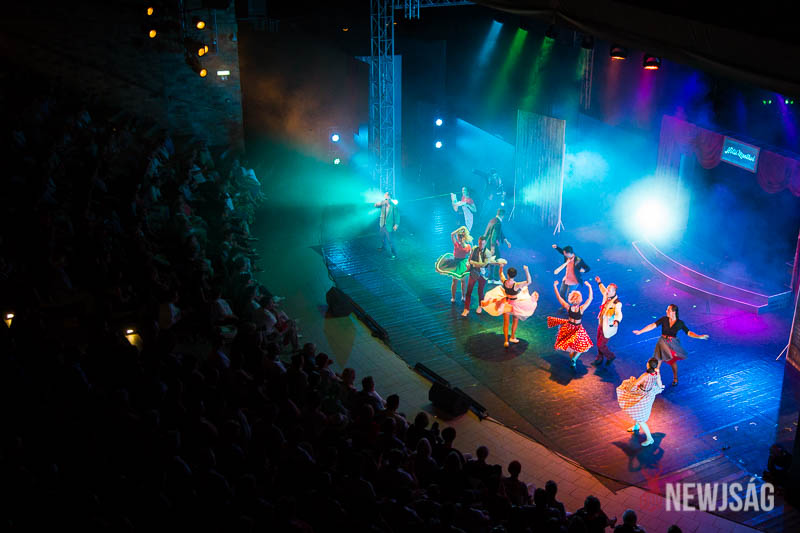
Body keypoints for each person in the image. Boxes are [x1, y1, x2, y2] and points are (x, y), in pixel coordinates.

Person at [632, 304, 709, 386]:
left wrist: (699, 336)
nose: (666, 311)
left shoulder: (680, 323)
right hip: (662, 342)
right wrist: (641, 331)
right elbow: (652, 325)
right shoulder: (664, 319)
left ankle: (675, 378)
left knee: (672, 362)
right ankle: (655, 380)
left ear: (673, 312)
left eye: (668, 310)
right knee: (657, 361)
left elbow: (688, 332)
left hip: (672, 343)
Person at [480, 264, 538, 347]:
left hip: (506, 303)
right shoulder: (516, 285)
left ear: (508, 274)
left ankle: (506, 341)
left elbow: (500, 273)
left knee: (506, 323)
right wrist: (526, 270)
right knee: (515, 320)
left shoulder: (504, 281)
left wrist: (501, 266)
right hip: (515, 305)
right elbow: (529, 282)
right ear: (515, 275)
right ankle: (512, 337)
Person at [616, 358, 665, 447]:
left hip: (642, 395)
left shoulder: (645, 375)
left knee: (641, 418)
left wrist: (630, 386)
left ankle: (650, 438)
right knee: (637, 411)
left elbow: (634, 385)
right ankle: (636, 426)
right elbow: (660, 384)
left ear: (648, 365)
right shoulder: (657, 372)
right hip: (649, 395)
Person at [548, 280, 594, 368]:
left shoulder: (568, 307)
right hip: (577, 329)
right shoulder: (582, 308)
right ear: (580, 299)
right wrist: (589, 286)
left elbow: (559, 298)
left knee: (572, 346)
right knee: (583, 345)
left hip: (569, 327)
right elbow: (590, 298)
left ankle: (573, 360)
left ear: (571, 299)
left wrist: (555, 286)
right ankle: (574, 359)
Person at [461, 235, 504, 317]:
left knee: (480, 291)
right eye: (480, 243)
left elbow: (483, 264)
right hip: (473, 272)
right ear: (478, 242)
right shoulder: (474, 249)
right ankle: (466, 309)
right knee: (469, 291)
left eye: (483, 244)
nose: (481, 245)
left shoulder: (488, 252)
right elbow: (470, 259)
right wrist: (468, 263)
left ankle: (480, 306)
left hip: (483, 275)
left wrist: (473, 263)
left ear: (485, 243)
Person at [435, 226, 473, 303]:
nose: (460, 238)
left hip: (463, 264)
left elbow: (470, 255)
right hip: (455, 262)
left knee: (463, 281)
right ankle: (453, 297)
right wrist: (460, 229)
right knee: (455, 281)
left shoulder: (468, 246)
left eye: (461, 237)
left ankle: (463, 296)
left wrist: (469, 262)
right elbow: (452, 234)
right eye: (459, 237)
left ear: (464, 237)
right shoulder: (456, 244)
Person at [593, 276, 623, 365]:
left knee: (600, 345)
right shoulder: (607, 295)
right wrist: (599, 282)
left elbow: (618, 313)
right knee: (599, 343)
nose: (607, 291)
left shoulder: (617, 303)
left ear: (614, 292)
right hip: (601, 324)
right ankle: (599, 358)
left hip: (607, 327)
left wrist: (616, 321)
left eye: (609, 290)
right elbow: (603, 289)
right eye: (607, 289)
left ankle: (611, 356)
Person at [484, 209, 511, 284]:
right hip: (491, 244)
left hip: (487, 243)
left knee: (492, 260)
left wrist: (506, 241)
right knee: (498, 260)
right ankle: (496, 279)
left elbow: (500, 233)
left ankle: (490, 278)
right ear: (503, 216)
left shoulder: (493, 220)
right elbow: (494, 235)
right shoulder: (498, 223)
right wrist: (493, 247)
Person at [374, 191, 399, 259]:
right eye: (385, 197)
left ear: (390, 198)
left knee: (390, 240)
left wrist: (396, 224)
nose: (386, 199)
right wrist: (377, 204)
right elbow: (375, 205)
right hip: (382, 224)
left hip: (389, 226)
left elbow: (397, 216)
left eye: (387, 197)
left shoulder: (393, 206)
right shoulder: (383, 203)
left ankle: (394, 254)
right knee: (382, 237)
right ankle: (383, 247)